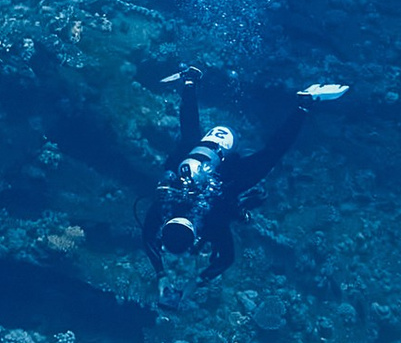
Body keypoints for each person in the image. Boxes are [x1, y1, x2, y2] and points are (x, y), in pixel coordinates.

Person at [145, 70, 344, 273]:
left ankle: (304, 106)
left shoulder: (209, 221)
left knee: (272, 154)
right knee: (189, 135)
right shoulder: (164, 206)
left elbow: (227, 259)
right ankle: (190, 81)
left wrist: (196, 280)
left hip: (227, 178)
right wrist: (167, 275)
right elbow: (224, 258)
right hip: (191, 165)